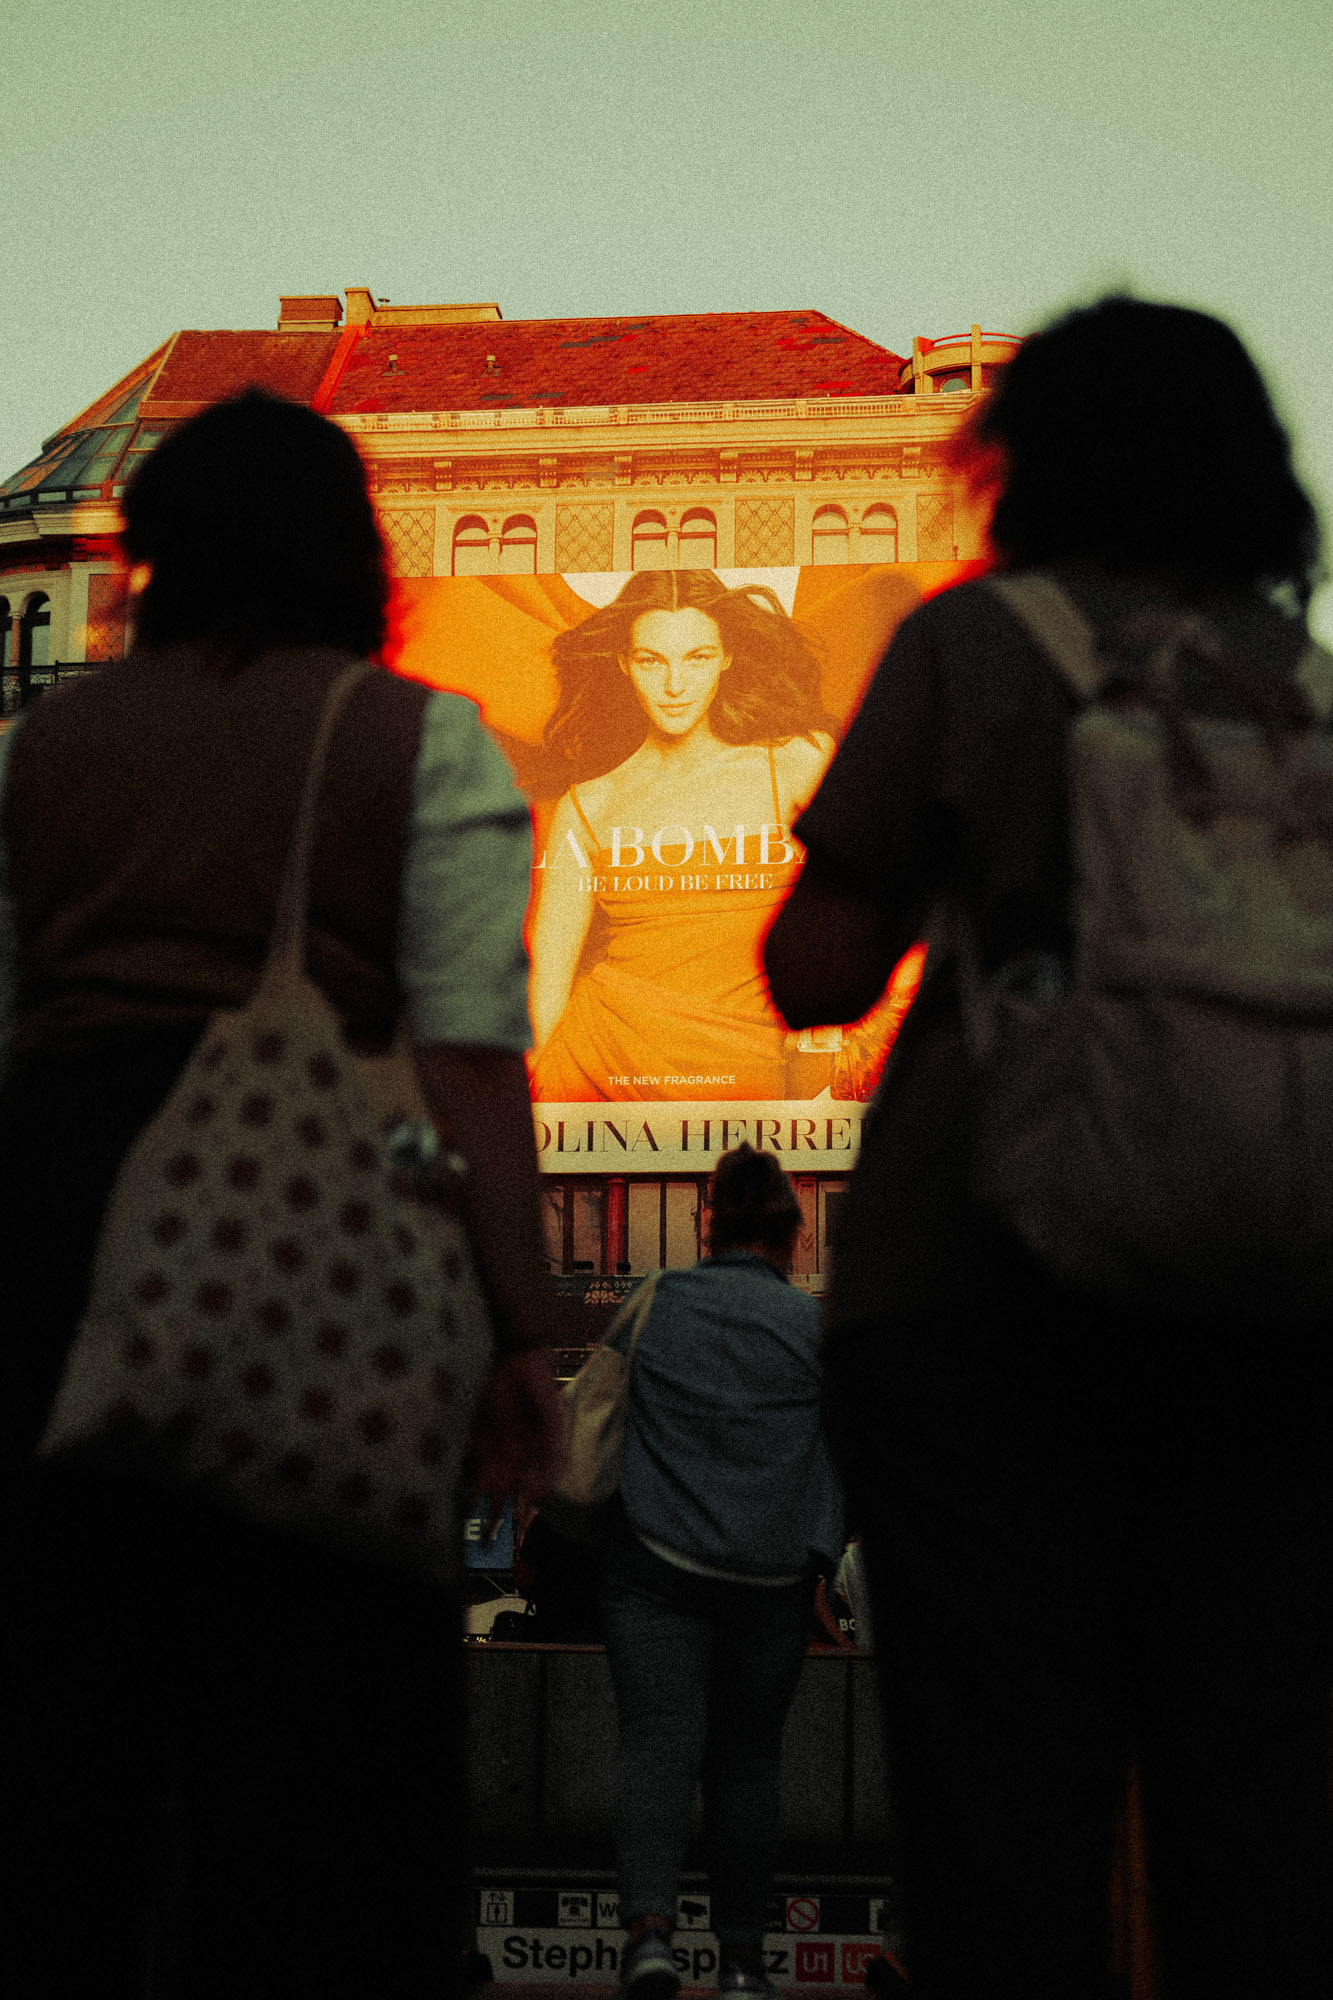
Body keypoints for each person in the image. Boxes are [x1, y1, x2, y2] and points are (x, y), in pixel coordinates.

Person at [764, 295, 1333, 2000]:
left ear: (1021, 460)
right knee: (1247, 1802)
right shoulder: (1303, 692)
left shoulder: (973, 647)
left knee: (998, 1806)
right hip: (1269, 1297)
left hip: (972, 1291)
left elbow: (815, 971)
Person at [0, 389, 561, 2000]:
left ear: (155, 557)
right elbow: (468, 1059)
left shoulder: (47, 745)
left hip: (62, 1218)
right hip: (310, 1231)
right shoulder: (411, 736)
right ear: (353, 557)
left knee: (69, 1721)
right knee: (328, 1727)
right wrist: (524, 1324)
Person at [599, 1144, 842, 2000]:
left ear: (707, 1225)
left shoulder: (651, 1303)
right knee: (746, 1767)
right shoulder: (816, 1329)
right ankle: (741, 1963)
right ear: (793, 1233)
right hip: (770, 1583)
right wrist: (813, 1561)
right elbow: (839, 1462)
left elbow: (603, 1423)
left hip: (655, 1567)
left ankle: (649, 1942)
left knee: (656, 1749)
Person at [529, 569, 833, 1100]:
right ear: (625, 663)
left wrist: (819, 1065)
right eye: (652, 660)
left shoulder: (795, 763)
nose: (675, 685)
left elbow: (855, 920)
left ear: (728, 657)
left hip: (754, 1070)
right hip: (596, 1068)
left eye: (697, 657)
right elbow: (544, 996)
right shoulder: (587, 803)